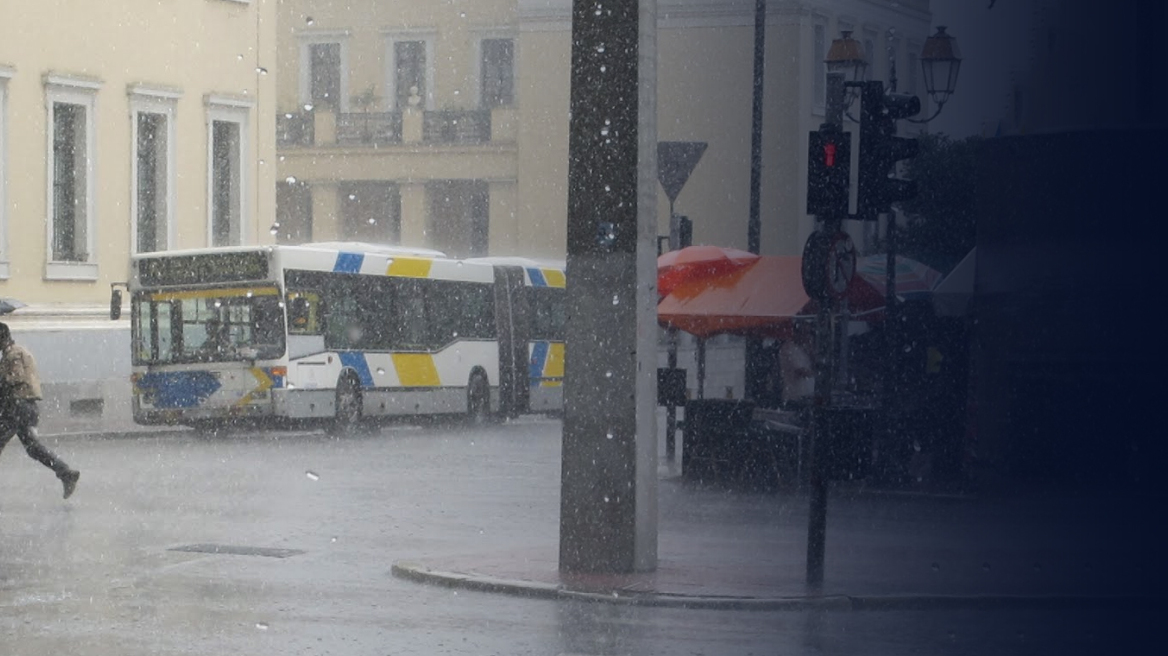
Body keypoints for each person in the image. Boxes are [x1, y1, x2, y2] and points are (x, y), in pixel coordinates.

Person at [0, 322, 80, 499]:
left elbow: (16, 377)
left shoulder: (13, 354)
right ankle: (65, 472)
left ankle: (65, 472)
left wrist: (2, 381)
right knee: (33, 448)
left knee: (29, 447)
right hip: (23, 407)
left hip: (18, 407)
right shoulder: (16, 352)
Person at [778, 320, 815, 409]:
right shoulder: (789, 349)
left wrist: (811, 351)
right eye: (805, 333)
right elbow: (801, 371)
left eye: (808, 333)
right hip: (794, 397)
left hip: (807, 397)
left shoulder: (803, 349)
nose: (807, 336)